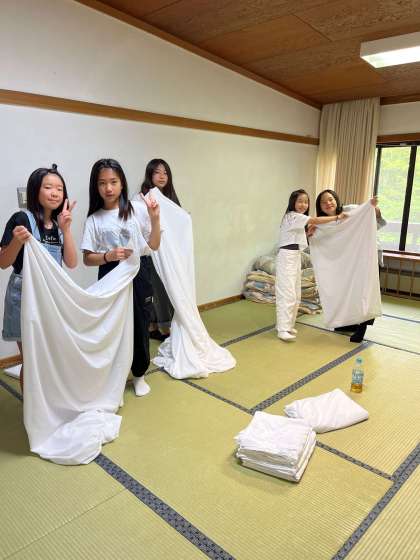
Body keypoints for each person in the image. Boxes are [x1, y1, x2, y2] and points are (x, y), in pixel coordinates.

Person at [81, 158, 160, 397]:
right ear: (95, 187)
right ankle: (112, 376)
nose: (108, 188)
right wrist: (108, 256)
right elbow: (87, 258)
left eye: (113, 182)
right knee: (111, 326)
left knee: (140, 323)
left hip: (138, 272)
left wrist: (155, 218)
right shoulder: (94, 219)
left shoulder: (137, 210)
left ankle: (139, 375)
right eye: (102, 183)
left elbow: (154, 245)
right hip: (110, 274)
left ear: (122, 183)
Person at [0, 165, 77, 392]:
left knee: (50, 356)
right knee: (31, 359)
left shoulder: (59, 225)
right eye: (48, 187)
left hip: (51, 297)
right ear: (35, 190)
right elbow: (3, 262)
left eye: (59, 189)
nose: (55, 193)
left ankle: (48, 402)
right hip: (24, 295)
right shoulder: (21, 218)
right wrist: (17, 241)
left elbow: (71, 263)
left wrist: (67, 230)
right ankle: (32, 408)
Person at [276, 189, 346, 342]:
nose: (303, 205)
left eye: (306, 202)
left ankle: (288, 326)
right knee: (287, 294)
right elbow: (315, 220)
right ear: (293, 202)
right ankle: (282, 329)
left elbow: (295, 239)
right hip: (287, 257)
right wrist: (337, 217)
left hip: (295, 256)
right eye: (300, 201)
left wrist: (307, 234)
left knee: (296, 295)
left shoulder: (297, 219)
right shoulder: (292, 216)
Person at [315, 189, 385, 342]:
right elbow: (320, 242)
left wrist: (374, 208)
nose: (328, 203)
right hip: (348, 262)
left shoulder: (351, 210)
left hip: (367, 256)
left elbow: (375, 220)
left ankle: (362, 327)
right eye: (323, 202)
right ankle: (352, 322)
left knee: (365, 292)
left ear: (336, 199)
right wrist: (312, 232)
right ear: (319, 206)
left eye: (330, 199)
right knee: (349, 291)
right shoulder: (323, 223)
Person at [133, 159, 180, 341]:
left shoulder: (169, 198)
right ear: (150, 174)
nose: (162, 176)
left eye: (165, 173)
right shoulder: (141, 198)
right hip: (149, 250)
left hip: (167, 251)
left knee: (164, 287)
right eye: (157, 172)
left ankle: (161, 325)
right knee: (153, 289)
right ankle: (157, 326)